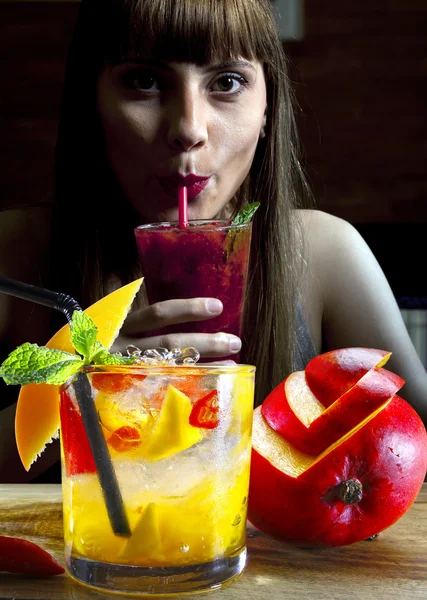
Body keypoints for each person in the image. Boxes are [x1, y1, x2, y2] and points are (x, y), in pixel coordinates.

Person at [1, 0, 426, 483]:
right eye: (145, 81)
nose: (188, 129)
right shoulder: (14, 255)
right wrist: (82, 394)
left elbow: (415, 449)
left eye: (226, 82)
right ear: (91, 102)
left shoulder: (327, 253)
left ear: (268, 108)